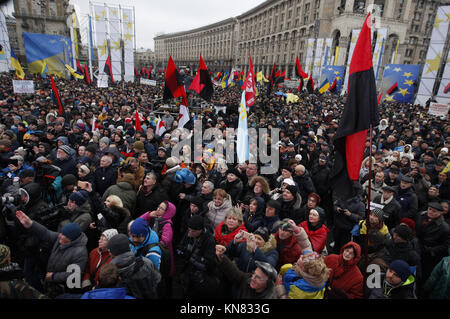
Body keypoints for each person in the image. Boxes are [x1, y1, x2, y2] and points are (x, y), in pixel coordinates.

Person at [15, 211, 88, 298]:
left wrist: (54, 276)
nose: (59, 236)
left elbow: (74, 275)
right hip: (50, 281)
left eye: (63, 235)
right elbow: (46, 233)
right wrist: (31, 224)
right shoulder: (60, 238)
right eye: (61, 233)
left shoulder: (80, 253)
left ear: (70, 239)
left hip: (63, 289)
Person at [176, 215, 220, 299]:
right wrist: (183, 253)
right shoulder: (189, 232)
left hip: (200, 277)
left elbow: (207, 264)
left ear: (200, 230)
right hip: (186, 272)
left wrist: (190, 257)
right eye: (189, 230)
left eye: (193, 231)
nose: (190, 233)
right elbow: (179, 248)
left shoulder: (209, 240)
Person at [107, 233, 161, 299]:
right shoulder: (146, 262)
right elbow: (157, 279)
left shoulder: (112, 272)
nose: (109, 253)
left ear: (114, 252)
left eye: (109, 251)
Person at [415, 201, 450, 292]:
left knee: (424, 275)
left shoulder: (444, 228)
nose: (430, 212)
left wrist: (430, 251)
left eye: (434, 211)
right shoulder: (421, 216)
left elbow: (445, 246)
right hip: (417, 248)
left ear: (440, 213)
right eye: (430, 209)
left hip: (428, 256)